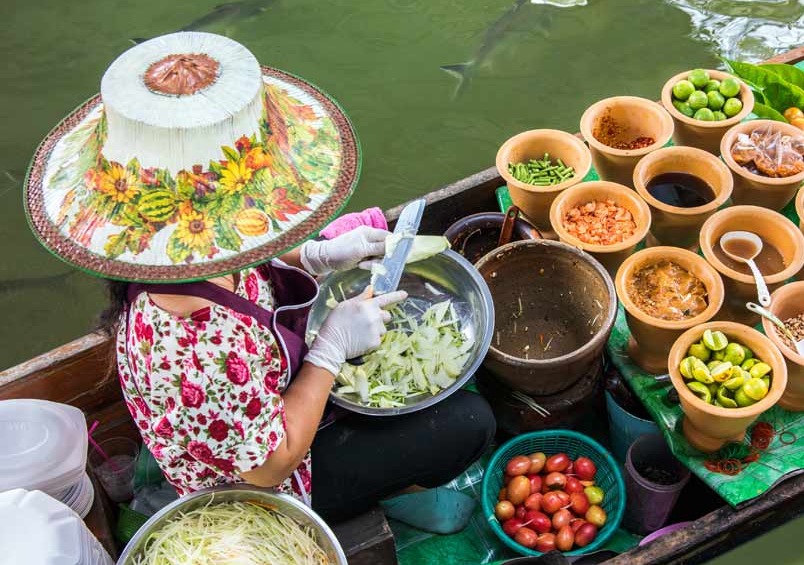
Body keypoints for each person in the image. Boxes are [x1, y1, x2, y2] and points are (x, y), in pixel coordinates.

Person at [24, 31, 494, 524]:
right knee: (469, 424)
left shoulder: (177, 257)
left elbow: (247, 252)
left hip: (259, 396)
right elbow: (271, 466)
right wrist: (331, 349)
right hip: (256, 490)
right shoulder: (199, 347)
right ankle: (393, 499)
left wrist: (313, 256)